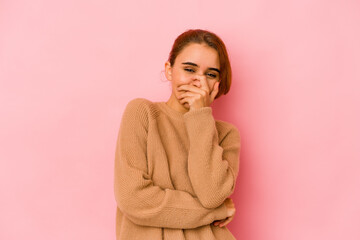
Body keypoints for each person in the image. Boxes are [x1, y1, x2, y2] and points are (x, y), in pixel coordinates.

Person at [114, 29, 241, 240]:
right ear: (169, 70)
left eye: (211, 74)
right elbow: (134, 199)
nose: (199, 81)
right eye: (189, 69)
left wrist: (200, 115)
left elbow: (211, 195)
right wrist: (216, 212)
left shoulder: (227, 134)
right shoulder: (142, 113)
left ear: (218, 84)